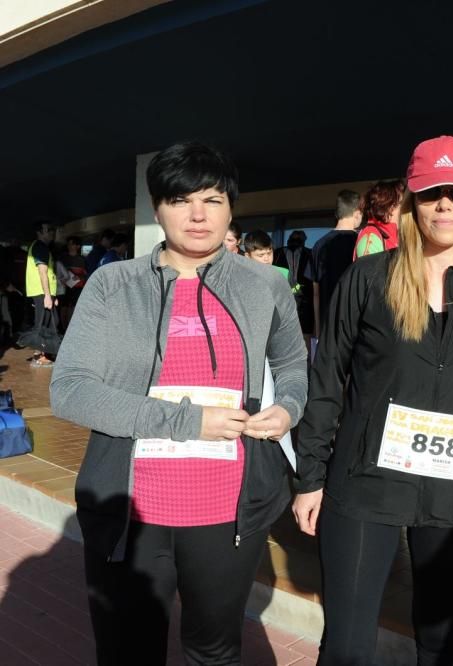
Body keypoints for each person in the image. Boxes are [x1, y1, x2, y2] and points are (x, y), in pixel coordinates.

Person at [50, 141, 308, 665]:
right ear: (158, 207)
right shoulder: (113, 285)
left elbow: (293, 366)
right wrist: (189, 422)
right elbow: (70, 389)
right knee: (128, 650)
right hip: (133, 510)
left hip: (228, 512)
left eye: (212, 200)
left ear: (232, 208)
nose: (197, 214)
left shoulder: (265, 285)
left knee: (213, 650)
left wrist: (287, 411)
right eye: (179, 199)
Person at [293, 135, 453, 665]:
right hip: (365, 485)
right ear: (411, 202)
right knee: (346, 643)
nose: (446, 206)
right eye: (433, 194)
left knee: (439, 642)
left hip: (451, 495)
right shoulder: (368, 278)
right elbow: (327, 377)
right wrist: (310, 476)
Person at [305, 189, 362, 337]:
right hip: (357, 326)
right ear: (357, 213)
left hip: (327, 327)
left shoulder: (319, 245)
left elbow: (315, 293)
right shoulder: (362, 243)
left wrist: (318, 330)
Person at [24, 220, 58, 366]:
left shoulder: (40, 247)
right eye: (47, 229)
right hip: (41, 292)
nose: (51, 232)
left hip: (42, 292)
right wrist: (47, 295)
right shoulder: (40, 247)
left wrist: (52, 295)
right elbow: (43, 271)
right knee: (42, 323)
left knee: (50, 321)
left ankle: (43, 352)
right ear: (39, 232)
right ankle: (38, 356)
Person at [353, 178, 405, 259]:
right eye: (401, 204)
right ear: (387, 206)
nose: (406, 209)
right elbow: (369, 271)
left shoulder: (394, 235)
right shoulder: (371, 237)